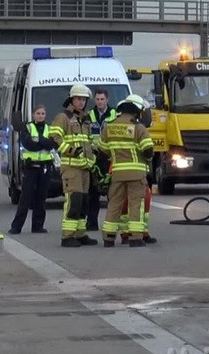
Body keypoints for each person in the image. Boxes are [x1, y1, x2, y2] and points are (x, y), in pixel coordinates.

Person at [97, 94, 154, 247]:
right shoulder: (138, 127)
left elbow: (102, 151)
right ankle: (135, 238)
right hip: (136, 173)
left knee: (114, 204)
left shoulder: (110, 127)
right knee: (135, 204)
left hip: (117, 173)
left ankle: (108, 238)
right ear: (137, 112)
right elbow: (148, 150)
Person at [49, 84, 99, 247]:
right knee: (73, 201)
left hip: (84, 168)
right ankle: (67, 236)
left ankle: (80, 233)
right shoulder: (63, 117)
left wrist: (94, 154)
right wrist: (70, 150)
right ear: (71, 99)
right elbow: (54, 136)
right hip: (71, 167)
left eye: (84, 99)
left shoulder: (84, 118)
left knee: (84, 202)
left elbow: (88, 141)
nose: (81, 102)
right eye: (78, 99)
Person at [8, 104, 57, 234]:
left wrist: (38, 140)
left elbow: (52, 144)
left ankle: (37, 226)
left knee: (41, 198)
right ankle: (16, 227)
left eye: (42, 114)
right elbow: (28, 144)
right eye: (38, 113)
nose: (40, 116)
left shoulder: (50, 128)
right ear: (33, 114)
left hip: (45, 167)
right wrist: (43, 142)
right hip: (31, 167)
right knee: (25, 198)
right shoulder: (28, 127)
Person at [86, 88, 117, 232]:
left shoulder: (115, 115)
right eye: (97, 99)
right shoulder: (88, 116)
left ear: (107, 100)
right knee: (93, 193)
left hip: (110, 158)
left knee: (113, 193)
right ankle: (92, 223)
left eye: (102, 99)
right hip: (94, 158)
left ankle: (112, 223)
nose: (99, 102)